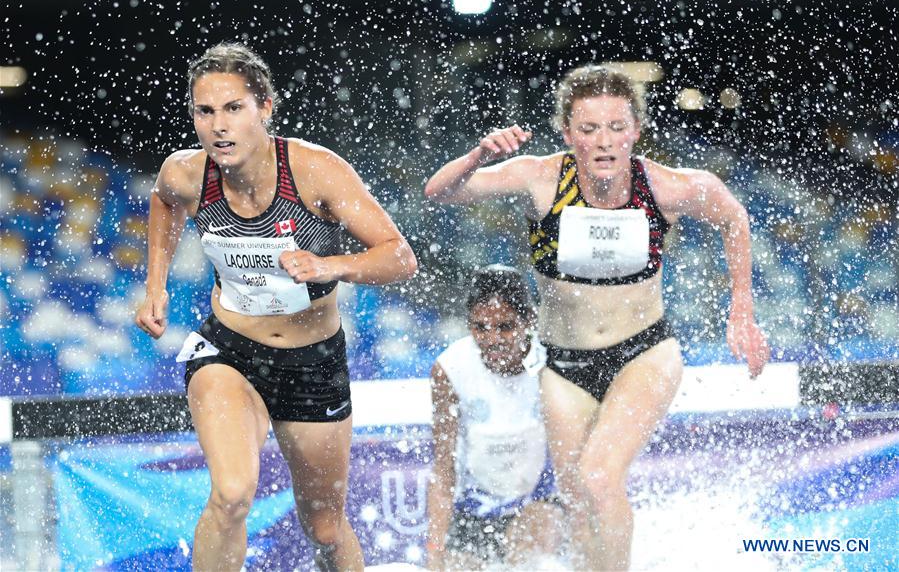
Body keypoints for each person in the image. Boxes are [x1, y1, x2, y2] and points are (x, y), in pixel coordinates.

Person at [424, 65, 770, 569]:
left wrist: (742, 308)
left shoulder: (665, 187)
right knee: (577, 497)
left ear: (635, 130)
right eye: (588, 130)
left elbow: (731, 213)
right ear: (568, 134)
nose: (603, 142)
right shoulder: (540, 178)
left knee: (600, 477)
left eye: (615, 127)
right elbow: (440, 192)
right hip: (564, 366)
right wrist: (480, 154)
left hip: (644, 352)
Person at [134, 42, 417, 571]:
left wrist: (331, 266)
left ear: (265, 107)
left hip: (312, 363)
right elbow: (164, 200)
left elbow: (401, 259)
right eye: (205, 111)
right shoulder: (186, 173)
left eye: (233, 108)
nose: (218, 126)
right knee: (233, 493)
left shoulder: (317, 172)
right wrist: (156, 284)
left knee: (325, 526)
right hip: (228, 350)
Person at [427, 265, 561, 571]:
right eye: (480, 327)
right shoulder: (450, 369)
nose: (492, 339)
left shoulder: (549, 363)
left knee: (526, 553)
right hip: (476, 506)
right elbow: (444, 469)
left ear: (529, 321)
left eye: (505, 327)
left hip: (540, 499)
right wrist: (435, 551)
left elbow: (573, 456)